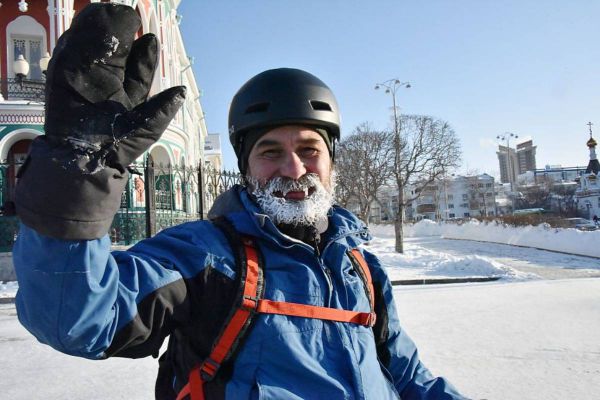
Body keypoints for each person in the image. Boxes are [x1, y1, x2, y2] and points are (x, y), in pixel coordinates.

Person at [13, 4, 465, 400]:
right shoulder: (203, 256)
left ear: (331, 162)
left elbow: (408, 377)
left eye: (309, 149)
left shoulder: (363, 270)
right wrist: (73, 173)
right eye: (270, 152)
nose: (293, 169)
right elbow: (78, 319)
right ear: (246, 167)